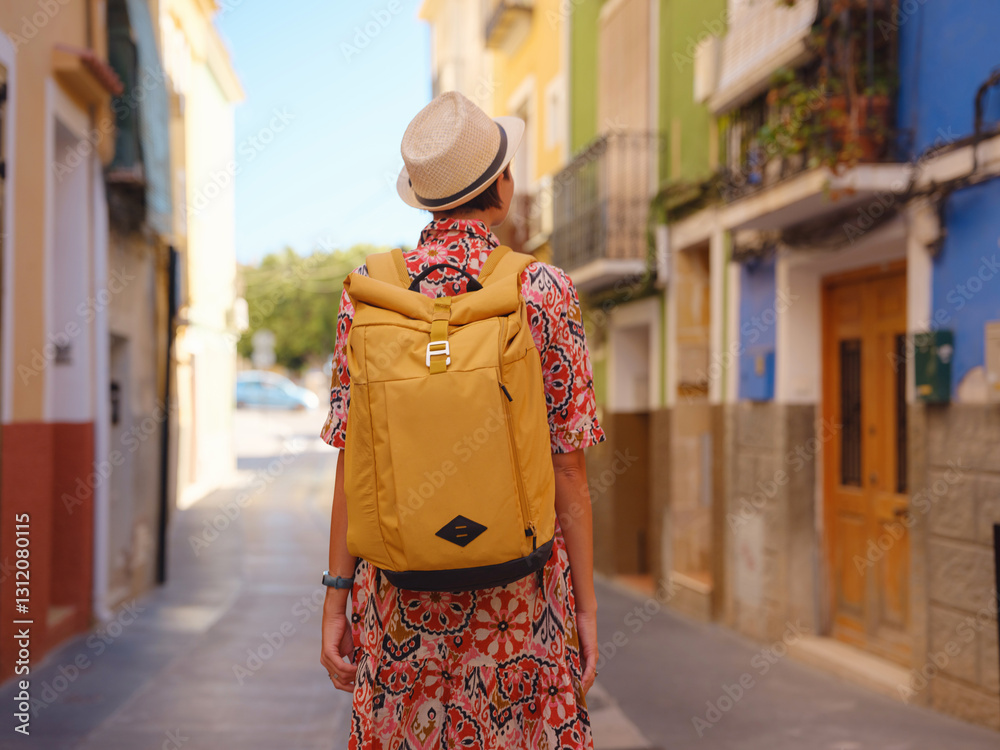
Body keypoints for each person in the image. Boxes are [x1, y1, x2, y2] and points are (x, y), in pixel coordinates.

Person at [319, 91, 605, 749]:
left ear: (423, 197)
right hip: (522, 609)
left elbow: (350, 459)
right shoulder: (543, 290)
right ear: (500, 188)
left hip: (397, 610)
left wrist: (337, 599)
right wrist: (584, 609)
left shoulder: (367, 291)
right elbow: (569, 468)